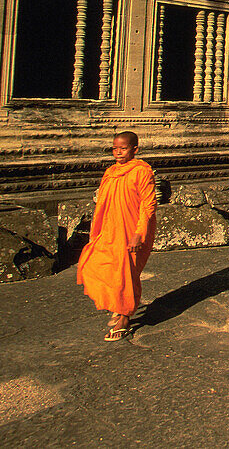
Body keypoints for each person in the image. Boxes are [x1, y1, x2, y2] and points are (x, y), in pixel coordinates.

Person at [76, 131, 157, 341]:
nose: (118, 152)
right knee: (96, 265)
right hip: (111, 229)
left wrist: (139, 233)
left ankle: (124, 317)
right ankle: (117, 303)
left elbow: (148, 205)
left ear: (135, 150)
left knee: (125, 273)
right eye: (115, 148)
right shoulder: (110, 172)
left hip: (132, 229)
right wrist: (97, 230)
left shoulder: (142, 171)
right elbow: (102, 203)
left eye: (123, 148)